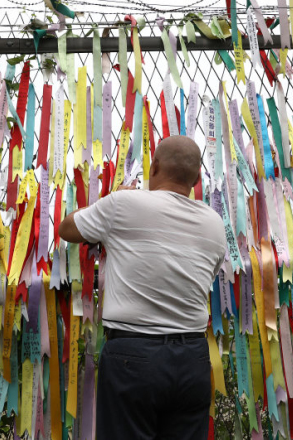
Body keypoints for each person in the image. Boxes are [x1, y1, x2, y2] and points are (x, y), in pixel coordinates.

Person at [59, 135, 227, 440]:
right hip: (193, 359)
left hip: (132, 356)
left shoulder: (124, 203)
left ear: (155, 167)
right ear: (197, 178)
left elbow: (67, 228)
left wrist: (109, 201)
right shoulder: (215, 224)